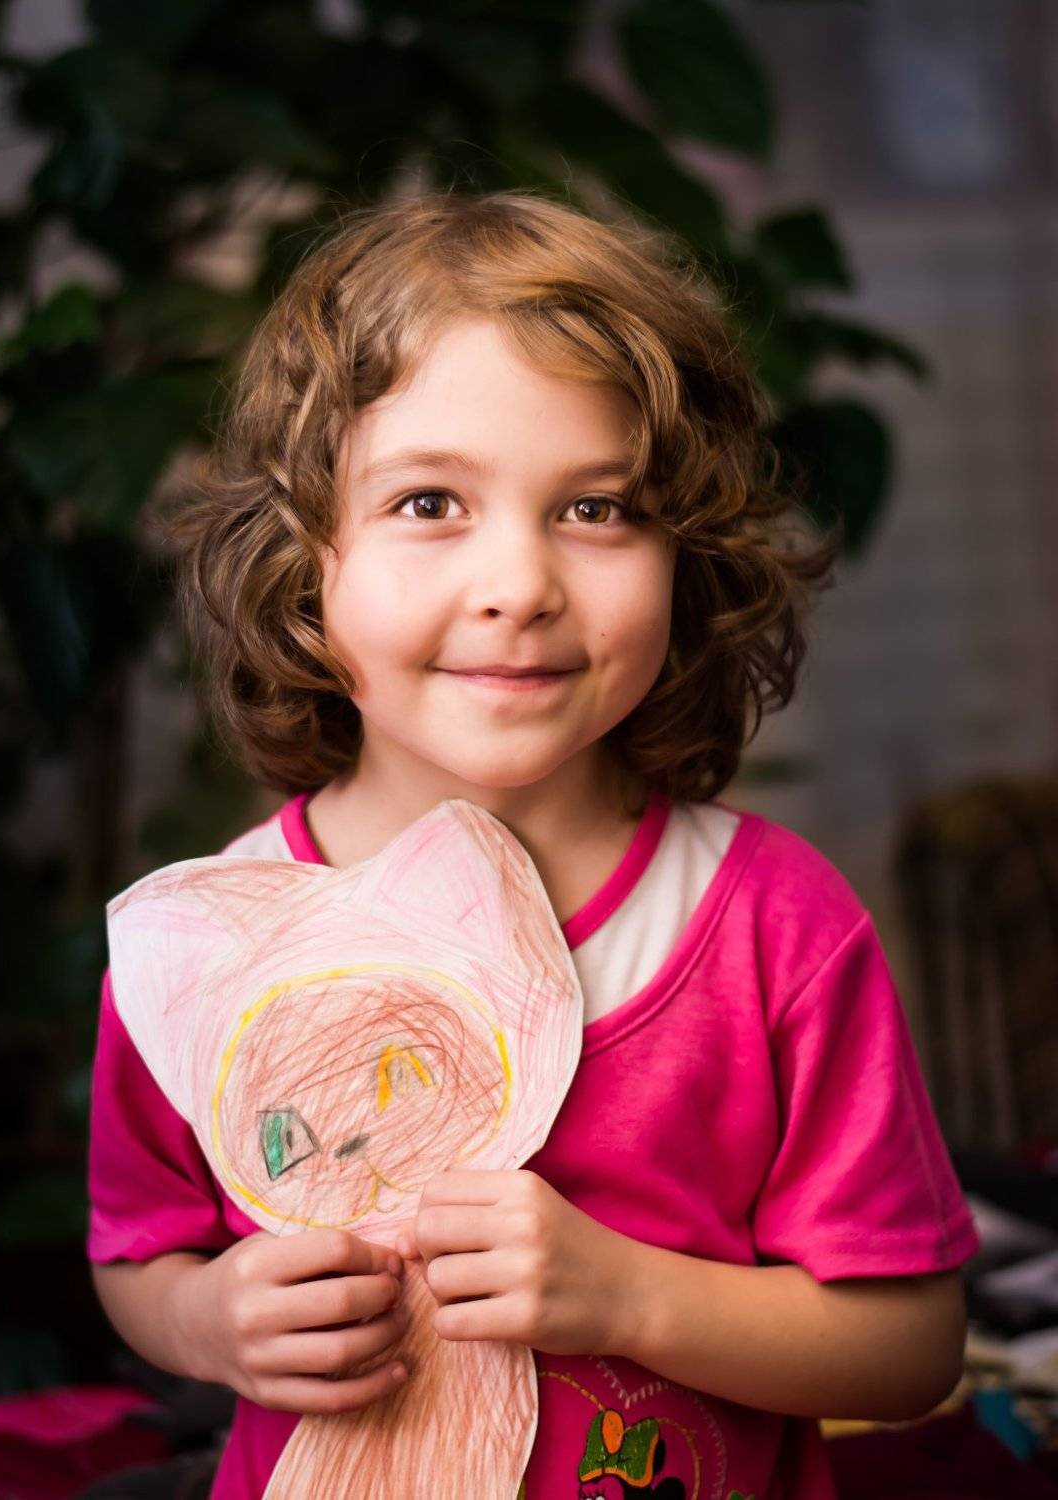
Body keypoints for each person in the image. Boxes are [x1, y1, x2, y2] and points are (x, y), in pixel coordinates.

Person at [87, 189, 980, 1500]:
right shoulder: (209, 942)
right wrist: (206, 1321)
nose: (518, 585)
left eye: (597, 509)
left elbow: (911, 1349)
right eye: (429, 502)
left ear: (688, 556)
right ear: (302, 555)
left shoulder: (774, 924)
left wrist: (630, 1298)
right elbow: (138, 1254)